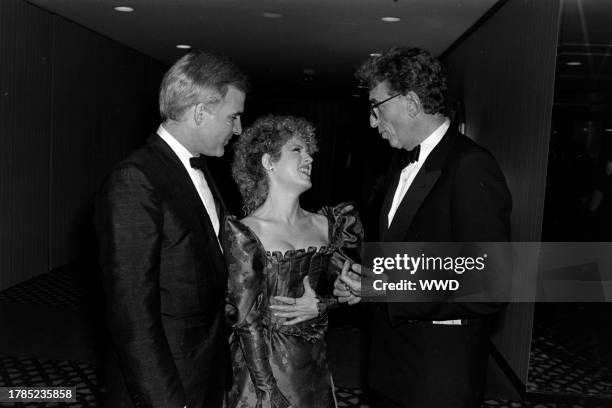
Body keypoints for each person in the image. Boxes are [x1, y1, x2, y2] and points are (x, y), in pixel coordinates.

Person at [334, 47, 512, 408]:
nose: (372, 120)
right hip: (392, 365)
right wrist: (367, 282)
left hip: (437, 378)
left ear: (411, 102)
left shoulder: (470, 165)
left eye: (375, 106)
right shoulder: (401, 162)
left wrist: (387, 289)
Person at [94, 51, 247, 408]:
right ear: (199, 113)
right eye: (233, 117)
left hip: (202, 375)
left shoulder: (201, 170)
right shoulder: (135, 180)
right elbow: (132, 315)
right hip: (165, 389)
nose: (238, 129)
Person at [223, 115, 363, 408]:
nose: (309, 158)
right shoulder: (245, 232)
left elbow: (358, 287)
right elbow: (244, 321)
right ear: (268, 162)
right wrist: (267, 390)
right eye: (297, 150)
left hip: (314, 368)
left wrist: (324, 305)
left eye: (310, 151)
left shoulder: (330, 225)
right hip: (260, 371)